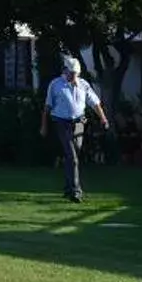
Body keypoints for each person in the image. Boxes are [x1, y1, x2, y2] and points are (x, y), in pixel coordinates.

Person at [40, 55, 110, 202]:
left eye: (76, 74)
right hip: (61, 123)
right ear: (65, 70)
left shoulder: (83, 85)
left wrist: (103, 118)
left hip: (79, 123)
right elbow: (47, 107)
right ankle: (76, 191)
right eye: (71, 73)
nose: (73, 76)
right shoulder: (56, 84)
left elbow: (95, 103)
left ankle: (67, 187)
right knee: (72, 157)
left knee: (73, 156)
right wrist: (44, 126)